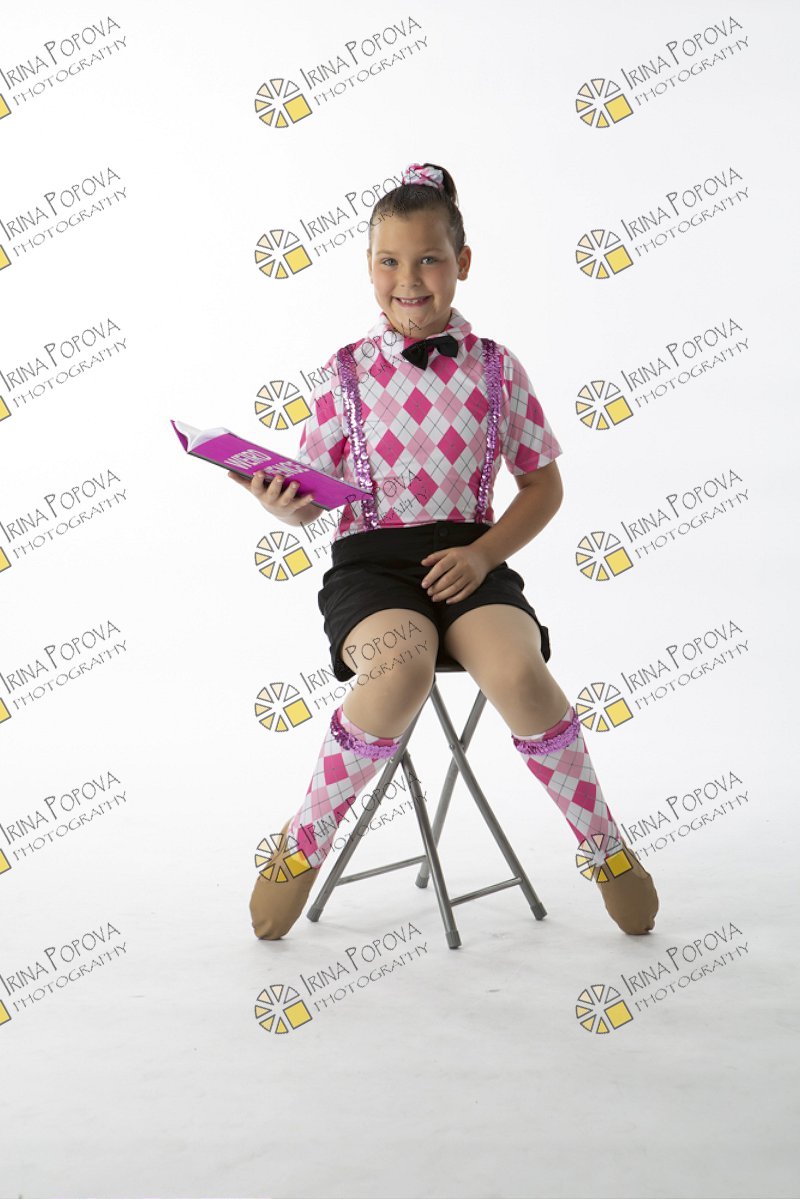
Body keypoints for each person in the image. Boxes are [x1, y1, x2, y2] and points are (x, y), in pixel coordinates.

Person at [230, 161, 659, 942]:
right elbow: (313, 494)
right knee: (401, 666)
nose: (409, 280)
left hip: (472, 558)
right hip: (372, 566)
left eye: (428, 259)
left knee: (521, 675)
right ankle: (303, 840)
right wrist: (281, 504)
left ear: (462, 261)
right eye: (389, 261)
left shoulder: (498, 367)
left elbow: (543, 486)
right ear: (368, 267)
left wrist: (485, 555)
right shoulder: (342, 373)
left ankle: (603, 844)